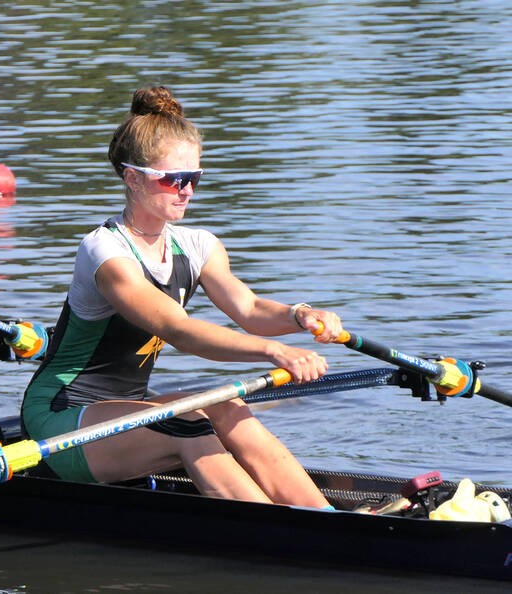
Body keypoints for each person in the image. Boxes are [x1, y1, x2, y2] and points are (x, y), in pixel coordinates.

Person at [21, 86, 344, 506]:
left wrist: (300, 314)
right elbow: (179, 329)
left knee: (227, 406)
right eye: (173, 179)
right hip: (61, 420)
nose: (186, 190)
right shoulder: (106, 253)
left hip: (124, 411)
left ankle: (324, 514)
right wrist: (276, 352)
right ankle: (280, 529)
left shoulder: (197, 245)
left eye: (194, 178)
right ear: (132, 177)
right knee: (191, 424)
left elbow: (249, 309)